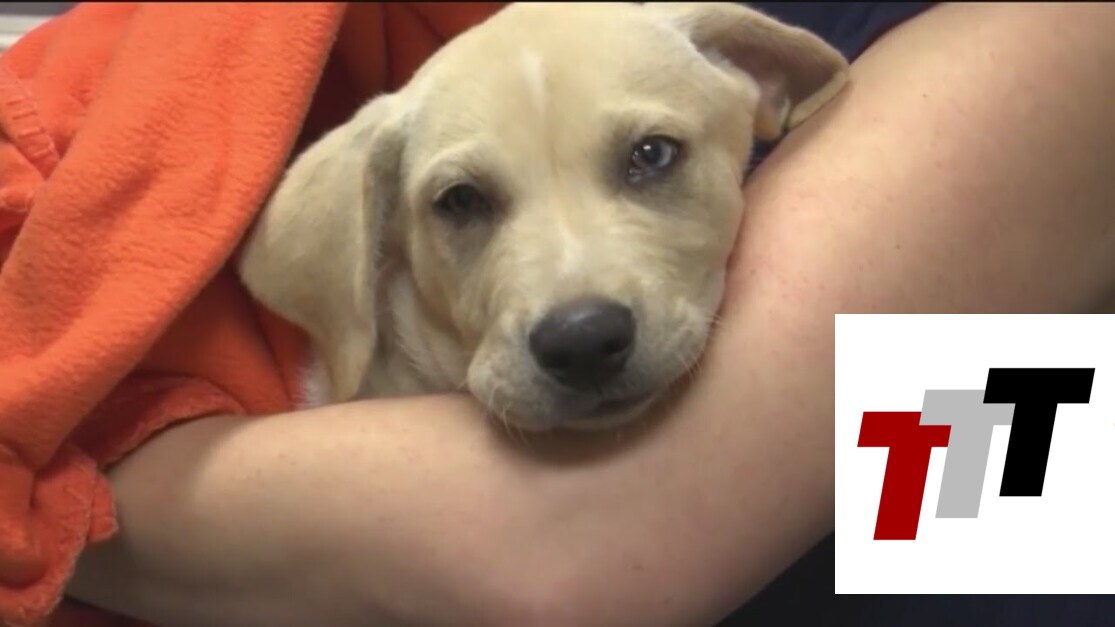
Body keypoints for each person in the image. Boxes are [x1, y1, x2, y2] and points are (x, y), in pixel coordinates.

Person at [4, 2, 1115, 626]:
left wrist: (48, 504)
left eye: (649, 158)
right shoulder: (530, 54)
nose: (574, 304)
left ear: (768, 84)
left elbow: (576, 555)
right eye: (466, 203)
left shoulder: (1043, 36)